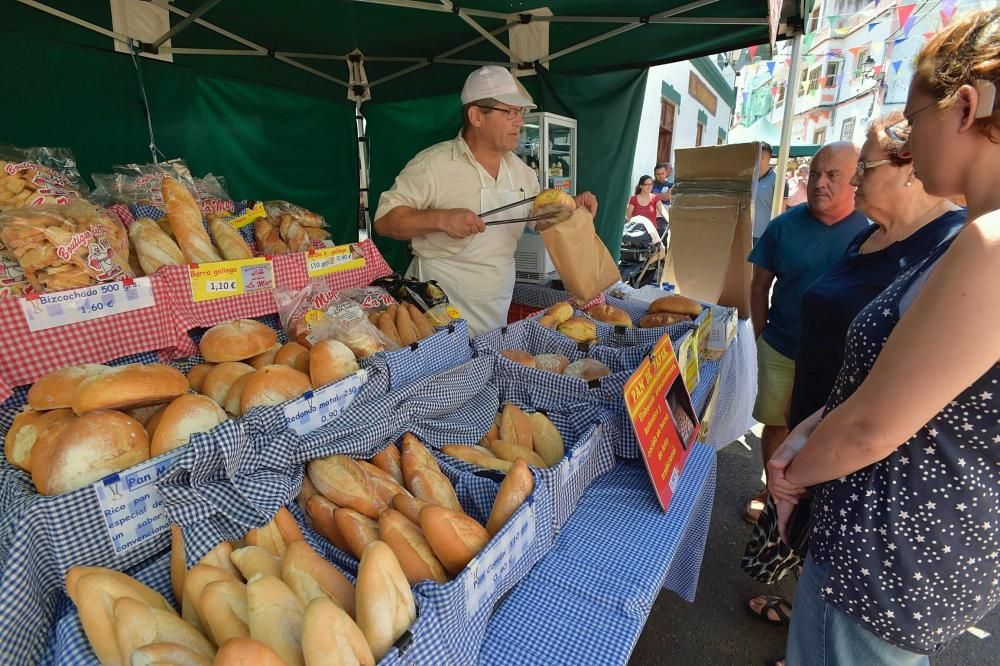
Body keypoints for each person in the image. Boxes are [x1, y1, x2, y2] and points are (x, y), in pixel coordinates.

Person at [769, 10, 1000, 664]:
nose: (905, 141)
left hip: (883, 566)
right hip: (902, 561)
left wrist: (791, 473)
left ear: (963, 109)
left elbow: (874, 425)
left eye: (910, 119)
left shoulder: (988, 243)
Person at [744, 112, 966, 657]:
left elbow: (876, 421)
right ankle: (799, 608)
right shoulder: (868, 236)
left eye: (862, 168)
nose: (850, 181)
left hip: (870, 482)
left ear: (910, 168)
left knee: (842, 627)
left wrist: (795, 472)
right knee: (817, 580)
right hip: (825, 426)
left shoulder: (954, 247)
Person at [374, 66, 598, 336]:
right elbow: (385, 222)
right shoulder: (432, 164)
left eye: (521, 113)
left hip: (496, 304)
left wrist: (570, 207)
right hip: (436, 311)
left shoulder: (523, 173)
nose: (519, 121)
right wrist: (441, 219)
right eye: (510, 113)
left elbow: (538, 222)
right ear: (476, 116)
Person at [744, 142, 869, 524]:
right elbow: (758, 285)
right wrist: (761, 334)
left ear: (856, 180)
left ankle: (809, 503)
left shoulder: (871, 232)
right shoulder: (784, 225)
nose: (819, 183)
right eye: (815, 173)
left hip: (838, 358)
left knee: (824, 433)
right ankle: (772, 489)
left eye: (833, 175)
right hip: (782, 347)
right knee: (777, 424)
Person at [752, 143, 790, 244]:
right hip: (746, 233)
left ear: (762, 157)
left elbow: (781, 214)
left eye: (753, 155)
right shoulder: (750, 178)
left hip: (764, 237)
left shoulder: (779, 181)